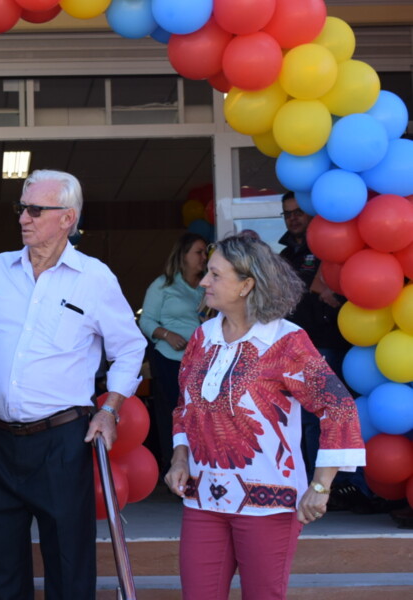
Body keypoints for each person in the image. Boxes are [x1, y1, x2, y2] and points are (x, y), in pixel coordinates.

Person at [0, 169, 146, 599]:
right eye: (21, 208)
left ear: (67, 218)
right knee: (0, 571)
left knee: (70, 568)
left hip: (61, 442)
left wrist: (110, 409)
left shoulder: (95, 278)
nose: (23, 218)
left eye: (35, 210)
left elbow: (129, 349)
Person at [164, 234, 365, 600]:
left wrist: (321, 486)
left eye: (215, 274)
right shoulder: (201, 337)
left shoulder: (286, 341)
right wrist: (180, 457)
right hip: (202, 499)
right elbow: (185, 405)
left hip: (269, 504)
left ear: (246, 285)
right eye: (206, 273)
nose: (204, 282)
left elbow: (338, 407)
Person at [279, 192, 347, 484]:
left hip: (326, 342)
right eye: (287, 213)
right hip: (292, 348)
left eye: (297, 212)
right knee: (304, 419)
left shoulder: (327, 247)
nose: (293, 217)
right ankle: (308, 482)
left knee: (331, 415)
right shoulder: (282, 257)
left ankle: (336, 485)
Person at [139, 232, 207, 472]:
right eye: (198, 252)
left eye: (205, 252)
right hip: (170, 359)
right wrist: (167, 335)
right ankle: (175, 471)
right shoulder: (164, 284)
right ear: (183, 255)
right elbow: (145, 320)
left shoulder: (208, 285)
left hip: (202, 362)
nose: (204, 257)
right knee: (173, 414)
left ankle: (199, 469)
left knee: (200, 415)